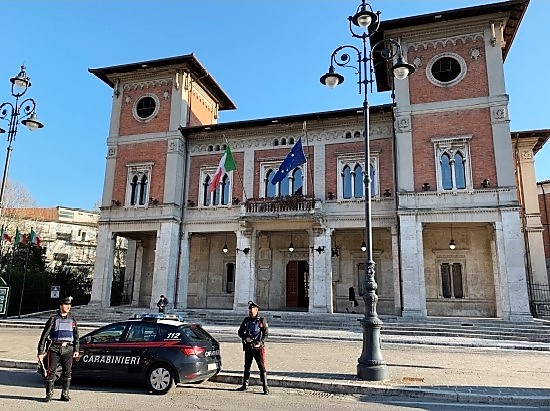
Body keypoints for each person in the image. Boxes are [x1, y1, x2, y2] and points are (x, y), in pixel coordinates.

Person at [37, 296, 80, 402]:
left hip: (68, 349)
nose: (68, 307)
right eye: (66, 304)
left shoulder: (72, 319)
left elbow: (76, 335)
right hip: (55, 348)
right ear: (61, 306)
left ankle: (64, 394)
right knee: (51, 372)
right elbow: (44, 336)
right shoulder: (53, 319)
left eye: (69, 305)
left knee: (67, 372)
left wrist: (76, 349)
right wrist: (41, 351)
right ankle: (49, 394)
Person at [236, 301, 269, 394]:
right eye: (249, 310)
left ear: (256, 310)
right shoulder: (246, 320)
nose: (250, 312)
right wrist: (245, 337)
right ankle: (245, 385)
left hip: (258, 348)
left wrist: (260, 342)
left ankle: (265, 387)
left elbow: (266, 334)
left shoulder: (262, 320)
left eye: (252, 310)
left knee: (262, 367)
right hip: (248, 348)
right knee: (247, 366)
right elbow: (240, 332)